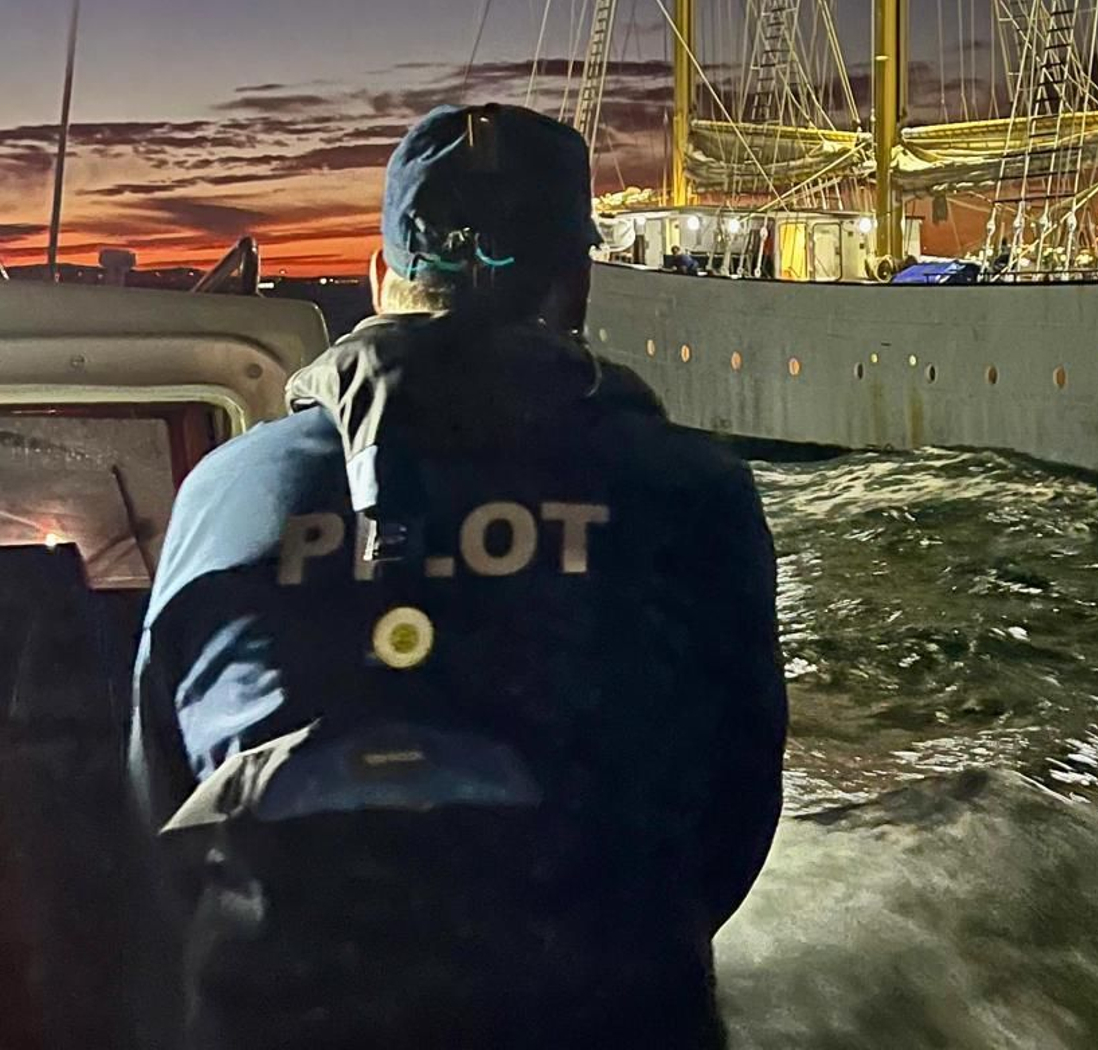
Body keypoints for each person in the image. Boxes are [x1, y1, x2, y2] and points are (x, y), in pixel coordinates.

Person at [129, 103, 785, 1050]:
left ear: (378, 274)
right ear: (576, 284)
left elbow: (161, 798)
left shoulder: (224, 490)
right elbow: (734, 807)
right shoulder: (694, 491)